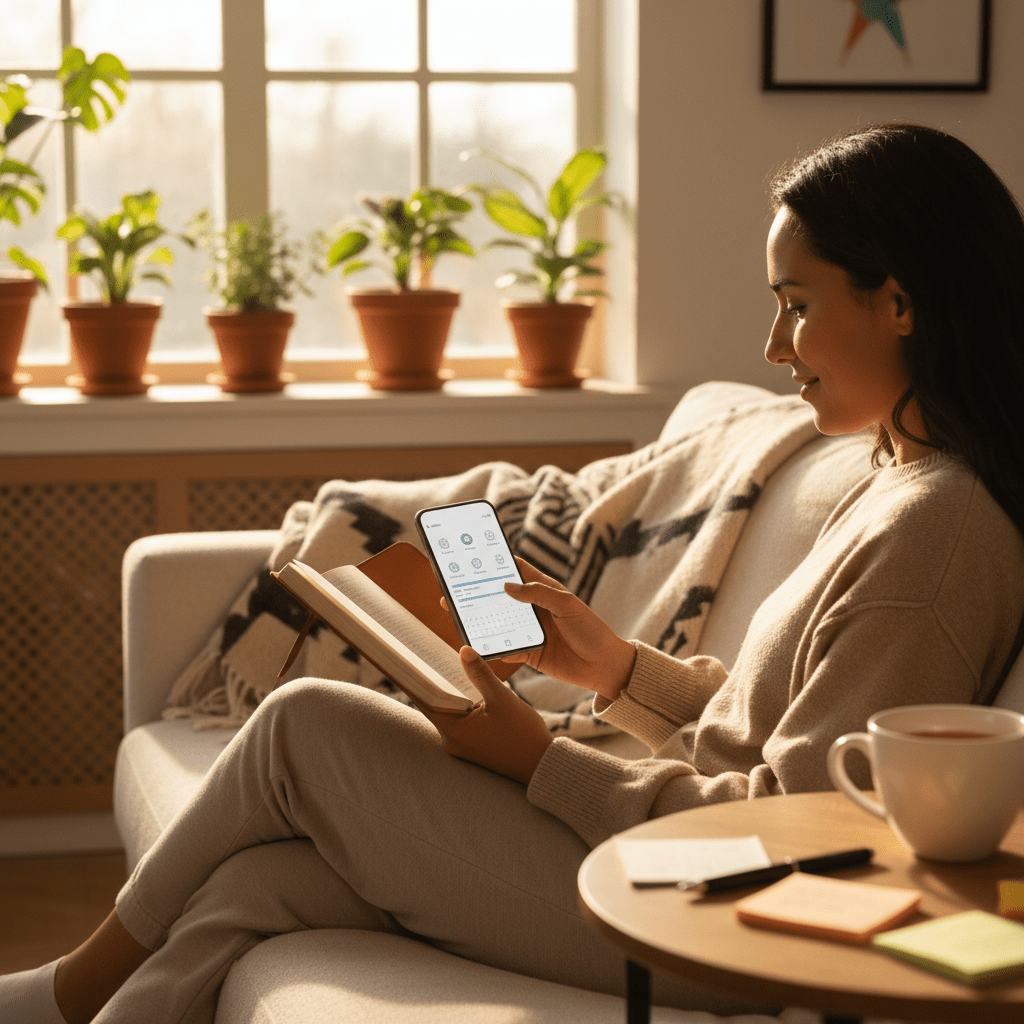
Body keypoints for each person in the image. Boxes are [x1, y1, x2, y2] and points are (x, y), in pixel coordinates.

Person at [4, 122, 1024, 1024]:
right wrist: (617, 668)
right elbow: (773, 732)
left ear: (899, 302)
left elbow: (798, 831)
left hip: (730, 920)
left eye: (795, 305)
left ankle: (64, 994)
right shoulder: (893, 477)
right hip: (698, 868)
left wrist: (536, 757)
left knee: (302, 727)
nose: (772, 345)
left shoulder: (938, 529)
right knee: (262, 886)